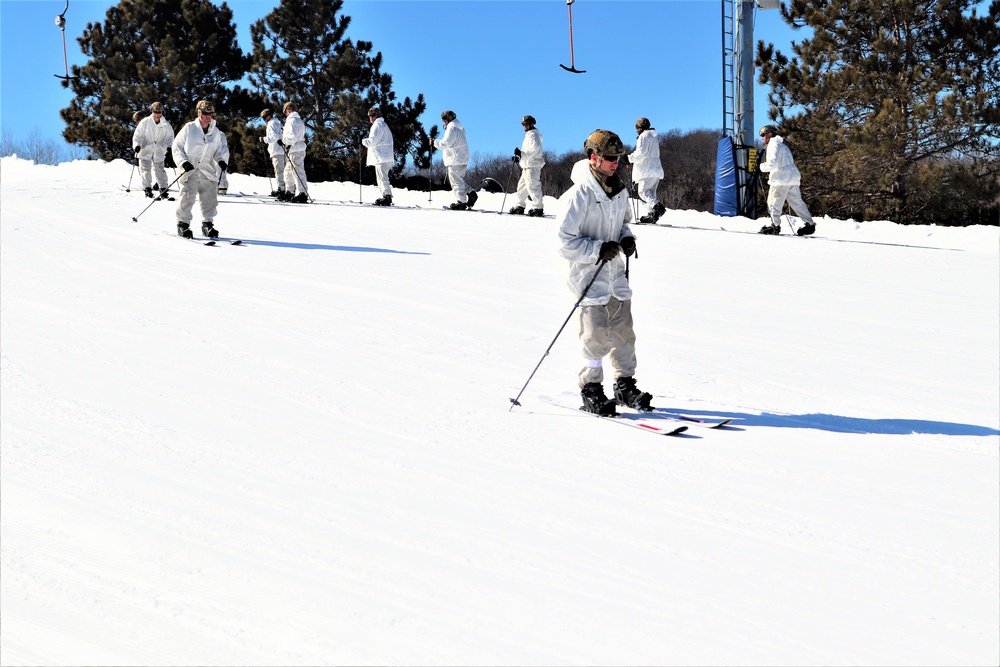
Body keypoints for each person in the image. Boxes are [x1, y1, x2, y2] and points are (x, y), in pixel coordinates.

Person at [557, 129, 651, 416]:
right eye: (610, 158)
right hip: (587, 278)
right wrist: (597, 249)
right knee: (595, 336)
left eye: (618, 158)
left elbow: (623, 224)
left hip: (615, 277)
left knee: (624, 333)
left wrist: (626, 238)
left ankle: (624, 385)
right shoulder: (578, 195)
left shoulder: (620, 192)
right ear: (593, 157)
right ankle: (591, 388)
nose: (616, 163)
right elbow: (564, 242)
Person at [171, 100, 229, 239]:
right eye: (205, 113)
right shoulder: (189, 128)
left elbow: (217, 151)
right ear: (199, 113)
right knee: (187, 196)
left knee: (210, 198)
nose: (208, 116)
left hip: (207, 170)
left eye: (210, 114)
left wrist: (221, 161)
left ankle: (207, 224)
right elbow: (177, 146)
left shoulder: (215, 132)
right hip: (190, 169)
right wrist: (183, 162)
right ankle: (183, 224)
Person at [758, 125, 816, 236]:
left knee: (773, 202)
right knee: (797, 202)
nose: (762, 138)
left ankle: (775, 226)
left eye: (763, 135)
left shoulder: (773, 144)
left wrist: (760, 167)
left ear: (769, 134)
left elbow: (772, 163)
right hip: (793, 177)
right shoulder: (783, 145)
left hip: (781, 178)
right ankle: (809, 223)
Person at [431, 110, 476, 210]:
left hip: (455, 158)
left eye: (444, 119)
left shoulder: (452, 128)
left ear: (449, 118)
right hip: (461, 157)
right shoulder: (460, 127)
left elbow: (446, 143)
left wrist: (434, 142)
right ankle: (470, 192)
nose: (443, 121)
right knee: (458, 179)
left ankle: (461, 202)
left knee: (455, 181)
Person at [132, 103, 174, 199]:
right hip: (145, 149)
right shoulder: (145, 122)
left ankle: (163, 189)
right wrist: (137, 145)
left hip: (159, 150)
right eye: (156, 112)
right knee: (145, 169)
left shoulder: (166, 124)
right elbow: (137, 135)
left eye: (160, 112)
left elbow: (170, 137)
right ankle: (147, 189)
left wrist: (168, 147)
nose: (158, 114)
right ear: (152, 111)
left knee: (160, 170)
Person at [627, 117, 665, 224]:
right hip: (655, 169)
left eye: (637, 127)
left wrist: (629, 158)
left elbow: (641, 152)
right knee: (651, 192)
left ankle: (657, 207)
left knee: (643, 192)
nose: (636, 129)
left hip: (646, 169)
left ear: (640, 127)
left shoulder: (644, 136)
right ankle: (652, 214)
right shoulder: (654, 136)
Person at [509, 115, 546, 216]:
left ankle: (538, 207)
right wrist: (519, 157)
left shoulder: (534, 136)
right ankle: (519, 206)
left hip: (533, 165)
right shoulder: (529, 135)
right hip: (527, 165)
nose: (525, 126)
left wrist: (522, 154)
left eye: (526, 124)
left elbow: (535, 150)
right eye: (523, 125)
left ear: (531, 123)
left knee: (533, 186)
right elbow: (527, 152)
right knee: (522, 187)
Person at [361, 106, 395, 206]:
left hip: (382, 156)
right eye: (369, 116)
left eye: (372, 115)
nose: (370, 118)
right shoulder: (382, 124)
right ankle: (385, 196)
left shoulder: (378, 125)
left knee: (382, 177)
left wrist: (362, 141)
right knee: (381, 177)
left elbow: (372, 141)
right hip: (384, 156)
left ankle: (387, 197)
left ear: (377, 115)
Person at [281, 101, 309, 203]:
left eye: (285, 111)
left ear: (287, 110)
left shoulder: (292, 121)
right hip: (295, 149)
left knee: (297, 171)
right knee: (288, 172)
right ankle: (290, 191)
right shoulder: (299, 120)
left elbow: (292, 137)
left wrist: (283, 140)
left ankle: (302, 193)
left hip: (295, 148)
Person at [259, 108, 286, 198]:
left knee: (279, 171)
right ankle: (282, 188)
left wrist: (264, 139)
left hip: (277, 150)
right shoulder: (277, 122)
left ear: (268, 116)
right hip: (280, 150)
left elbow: (274, 137)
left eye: (264, 117)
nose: (264, 120)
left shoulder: (272, 123)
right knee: (281, 171)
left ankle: (281, 189)